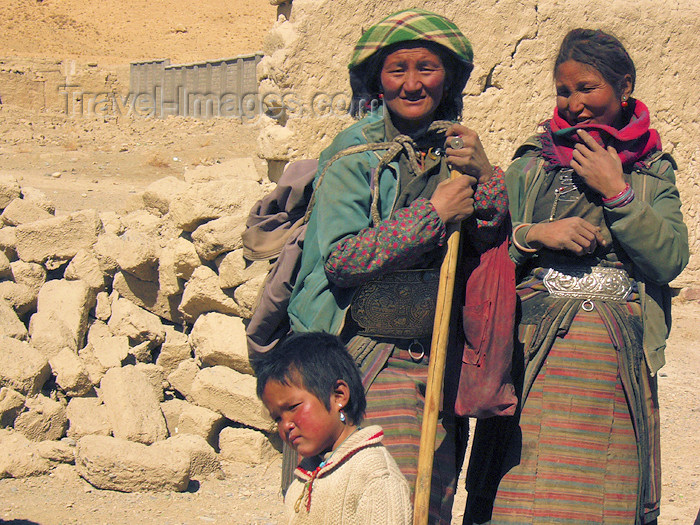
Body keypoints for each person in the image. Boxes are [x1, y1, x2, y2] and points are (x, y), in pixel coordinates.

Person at [286, 9, 510, 523]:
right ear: (377, 81)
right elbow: (343, 258)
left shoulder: (457, 149)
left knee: (430, 502)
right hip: (369, 356)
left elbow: (491, 237)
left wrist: (484, 174)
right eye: (397, 70)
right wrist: (432, 215)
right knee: (379, 498)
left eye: (426, 68)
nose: (412, 84)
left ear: (449, 76)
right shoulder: (352, 156)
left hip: (438, 357)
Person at [464, 28, 689, 525]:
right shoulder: (534, 163)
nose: (574, 104)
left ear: (624, 86)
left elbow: (670, 258)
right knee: (522, 487)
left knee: (604, 492)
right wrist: (538, 233)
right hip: (533, 352)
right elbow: (493, 242)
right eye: (564, 91)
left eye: (587, 88)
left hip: (615, 357)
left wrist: (618, 192)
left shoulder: (652, 169)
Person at [254, 332, 412, 525]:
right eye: (277, 418)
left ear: (339, 396)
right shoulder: (300, 482)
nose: (285, 425)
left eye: (293, 407)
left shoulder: (375, 477)